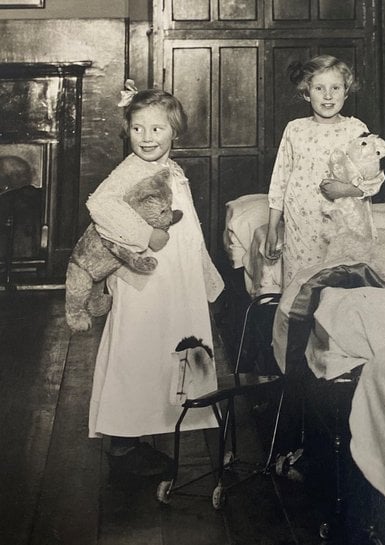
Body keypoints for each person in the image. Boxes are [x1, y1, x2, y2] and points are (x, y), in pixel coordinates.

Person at [86, 81, 224, 476]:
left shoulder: (171, 169)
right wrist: (145, 234)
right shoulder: (130, 170)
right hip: (144, 280)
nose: (146, 138)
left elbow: (190, 229)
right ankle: (123, 444)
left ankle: (156, 427)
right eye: (137, 129)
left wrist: (205, 278)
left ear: (174, 132)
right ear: (127, 130)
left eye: (156, 129)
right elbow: (100, 204)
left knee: (167, 349)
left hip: (174, 279)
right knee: (135, 351)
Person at [263, 55, 384, 287]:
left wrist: (346, 189)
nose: (328, 96)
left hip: (344, 227)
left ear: (346, 92)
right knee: (301, 288)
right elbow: (279, 181)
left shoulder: (356, 129)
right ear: (307, 92)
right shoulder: (295, 129)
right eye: (319, 88)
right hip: (301, 228)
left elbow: (375, 180)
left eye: (335, 88)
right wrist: (272, 228)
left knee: (343, 289)